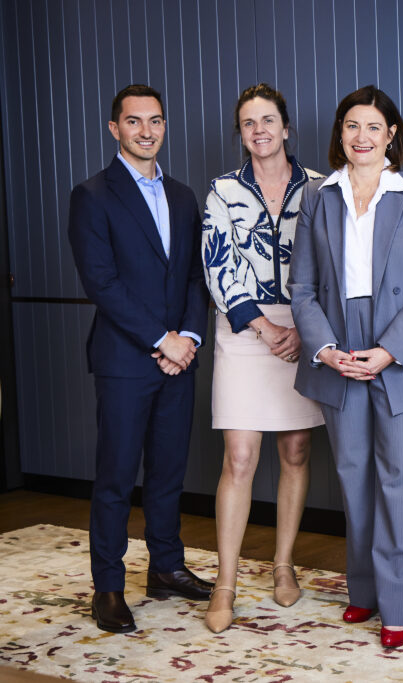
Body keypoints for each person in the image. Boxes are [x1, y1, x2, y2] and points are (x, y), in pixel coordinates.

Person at [288, 85, 403, 649]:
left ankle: (401, 606)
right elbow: (303, 287)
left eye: (373, 127)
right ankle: (365, 591)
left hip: (402, 352)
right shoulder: (318, 196)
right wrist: (326, 349)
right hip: (338, 349)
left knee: (402, 484)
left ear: (391, 136)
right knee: (355, 480)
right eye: (352, 126)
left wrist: (387, 351)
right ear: (340, 134)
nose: (362, 136)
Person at [68, 84, 212, 634]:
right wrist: (162, 339)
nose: (146, 131)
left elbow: (196, 277)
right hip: (127, 361)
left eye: (155, 121)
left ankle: (166, 568)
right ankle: (108, 586)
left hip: (180, 360)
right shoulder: (92, 195)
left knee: (168, 474)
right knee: (115, 478)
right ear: (115, 129)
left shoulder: (182, 195)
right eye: (134, 121)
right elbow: (101, 283)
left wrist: (191, 339)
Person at [200, 83, 326, 633]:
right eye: (249, 122)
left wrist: (307, 329)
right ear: (241, 132)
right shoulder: (222, 190)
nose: (260, 130)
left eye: (268, 119)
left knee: (296, 450)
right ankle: (225, 584)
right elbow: (216, 265)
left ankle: (282, 565)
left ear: (286, 127)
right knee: (241, 457)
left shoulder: (320, 189)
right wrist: (261, 324)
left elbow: (329, 264)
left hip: (305, 328)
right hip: (244, 331)